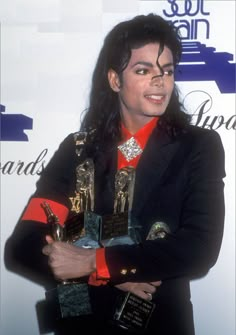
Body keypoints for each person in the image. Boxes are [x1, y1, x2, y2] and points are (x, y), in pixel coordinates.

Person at [4, 13, 225, 335]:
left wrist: (97, 262)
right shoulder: (76, 149)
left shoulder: (197, 146)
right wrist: (101, 273)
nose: (160, 81)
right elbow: (24, 246)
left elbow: (200, 247)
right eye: (143, 70)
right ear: (114, 80)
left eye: (167, 71)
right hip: (81, 321)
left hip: (159, 323)